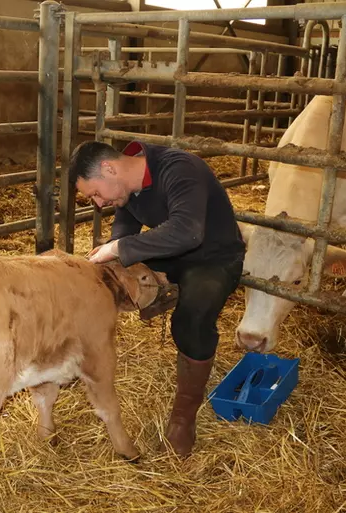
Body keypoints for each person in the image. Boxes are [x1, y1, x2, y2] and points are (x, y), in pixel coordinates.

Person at [68, 139, 245, 458]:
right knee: (113, 277)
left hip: (214, 257)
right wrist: (113, 252)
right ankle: (161, 290)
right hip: (171, 253)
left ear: (109, 168)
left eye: (95, 193)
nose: (97, 203)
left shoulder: (180, 169)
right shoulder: (127, 186)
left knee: (190, 321)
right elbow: (125, 226)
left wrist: (119, 250)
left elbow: (188, 232)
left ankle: (183, 417)